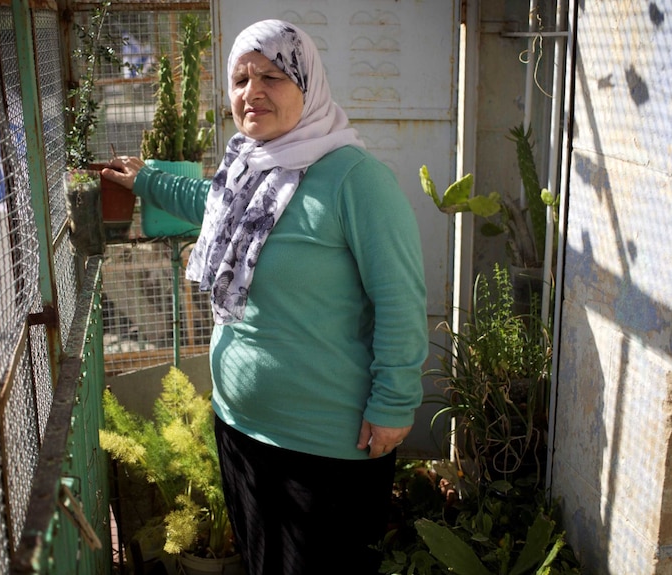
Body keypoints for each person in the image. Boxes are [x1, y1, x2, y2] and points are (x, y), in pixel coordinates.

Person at [102, 19, 428, 575]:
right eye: (241, 79)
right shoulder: (247, 167)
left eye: (272, 76)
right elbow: (213, 203)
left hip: (325, 446)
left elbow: (401, 299)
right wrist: (147, 180)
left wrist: (394, 405)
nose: (252, 92)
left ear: (309, 84)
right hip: (240, 429)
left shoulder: (355, 179)